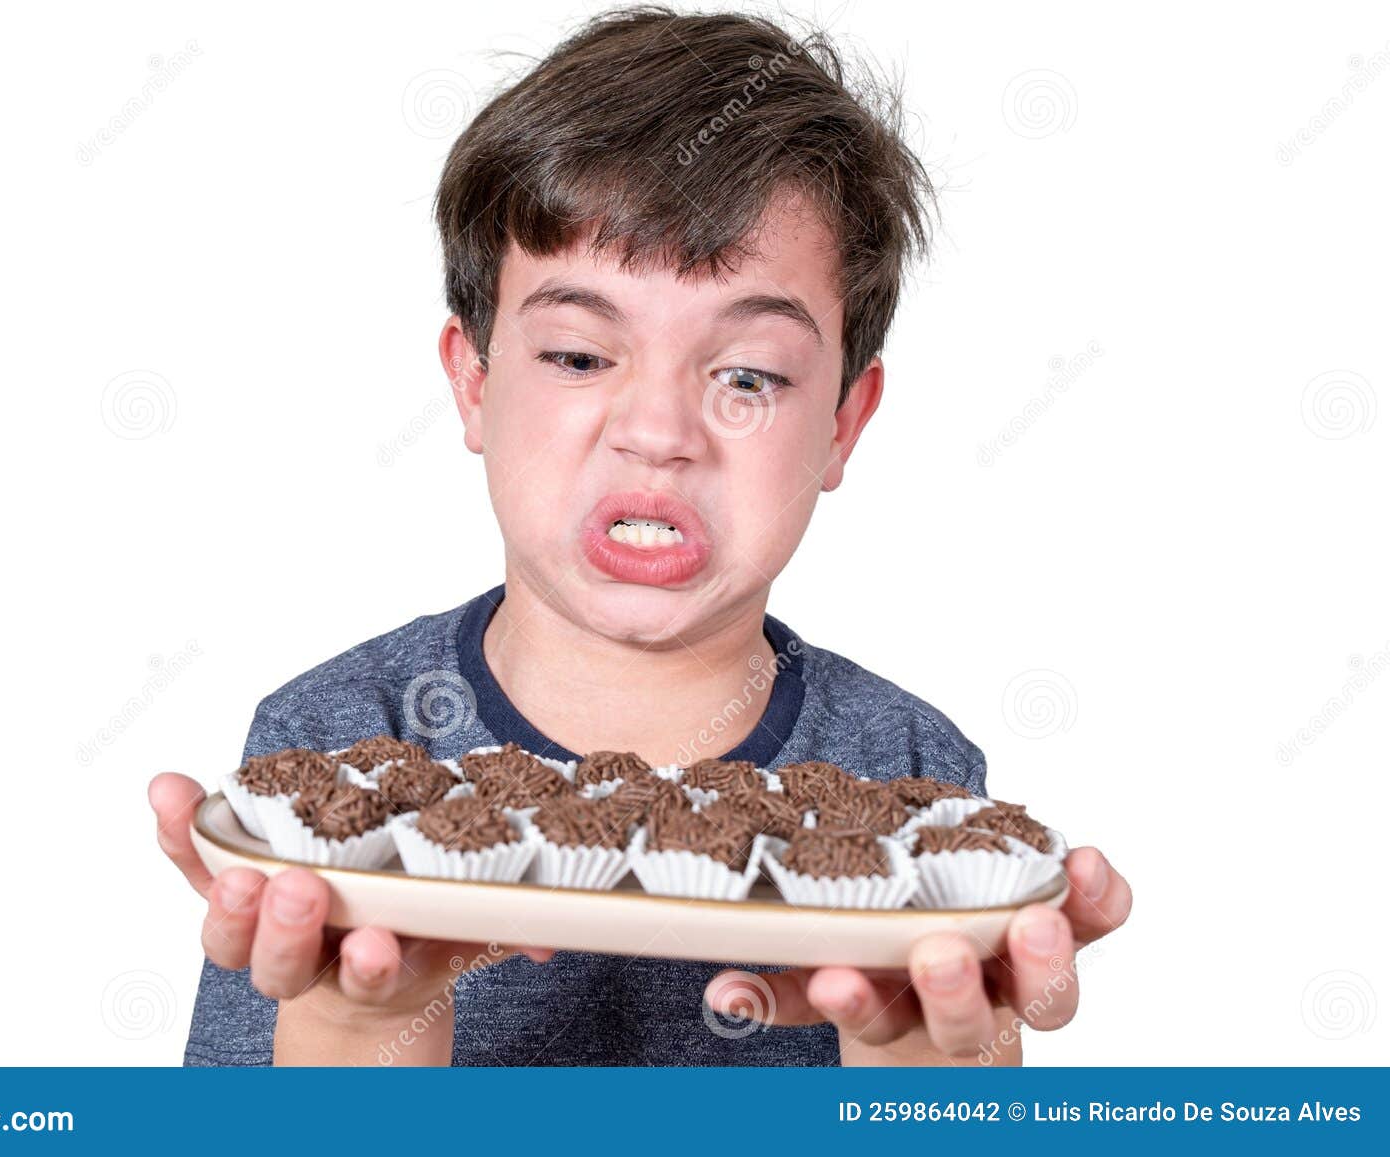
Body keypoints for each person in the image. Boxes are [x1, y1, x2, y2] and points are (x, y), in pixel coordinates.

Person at [149, 5, 1131, 1066]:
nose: (658, 433)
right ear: (472, 383)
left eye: (746, 374)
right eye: (577, 355)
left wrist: (927, 1062)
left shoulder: (914, 777)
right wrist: (361, 1020)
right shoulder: (332, 744)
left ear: (843, 422)